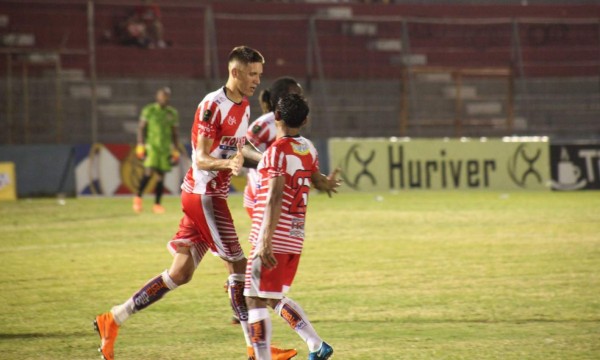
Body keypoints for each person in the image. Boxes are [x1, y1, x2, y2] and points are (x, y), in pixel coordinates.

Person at [94, 46, 296, 360]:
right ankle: (257, 349)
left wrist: (272, 164)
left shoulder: (242, 107)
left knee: (180, 273)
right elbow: (201, 158)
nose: (258, 81)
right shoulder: (211, 106)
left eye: (260, 74)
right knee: (239, 268)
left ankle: (113, 318)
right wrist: (226, 166)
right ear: (236, 72)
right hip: (206, 197)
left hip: (203, 196)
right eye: (253, 74)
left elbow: (239, 154)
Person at [244, 94, 341, 360]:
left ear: (276, 116)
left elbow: (275, 195)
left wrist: (265, 240)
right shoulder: (308, 148)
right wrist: (327, 184)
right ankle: (315, 345)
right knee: (270, 296)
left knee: (253, 298)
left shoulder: (276, 151)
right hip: (294, 237)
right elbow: (315, 180)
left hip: (274, 236)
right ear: (305, 120)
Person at [244, 77, 303, 218]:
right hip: (261, 193)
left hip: (279, 193)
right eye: (297, 95)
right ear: (283, 97)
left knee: (278, 239)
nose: (301, 100)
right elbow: (243, 149)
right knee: (269, 238)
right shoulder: (266, 123)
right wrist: (266, 162)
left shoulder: (289, 124)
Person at [133, 87, 180, 214]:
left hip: (165, 149)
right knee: (148, 173)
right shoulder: (149, 110)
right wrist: (140, 145)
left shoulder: (172, 113)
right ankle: (138, 198)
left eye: (167, 96)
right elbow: (141, 128)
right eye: (163, 96)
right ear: (157, 97)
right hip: (151, 147)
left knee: (161, 176)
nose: (165, 98)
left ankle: (157, 205)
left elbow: (175, 133)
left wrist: (176, 150)